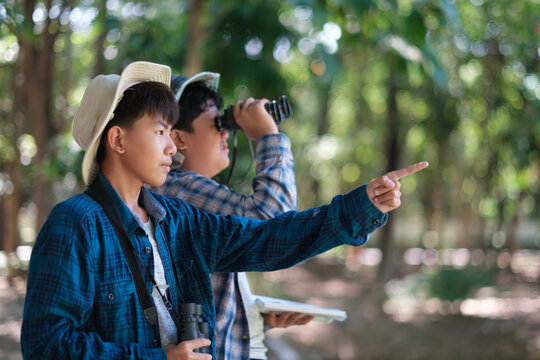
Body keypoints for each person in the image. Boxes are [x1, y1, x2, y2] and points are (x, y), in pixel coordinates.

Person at [21, 61, 428, 360]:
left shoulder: (177, 220)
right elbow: (46, 344)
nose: (170, 147)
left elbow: (269, 237)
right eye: (160, 131)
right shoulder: (74, 224)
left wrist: (362, 205)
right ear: (118, 139)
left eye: (171, 132)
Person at [152, 71, 312, 360]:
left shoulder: (182, 191)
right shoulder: (178, 187)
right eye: (216, 124)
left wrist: (254, 315)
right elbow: (275, 226)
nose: (226, 132)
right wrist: (268, 136)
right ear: (178, 138)